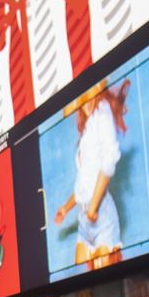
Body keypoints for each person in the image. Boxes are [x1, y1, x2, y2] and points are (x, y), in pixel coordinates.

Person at [54, 79, 129, 270]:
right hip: (85, 217)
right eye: (82, 97)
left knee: (105, 276)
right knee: (82, 277)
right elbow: (84, 183)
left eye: (89, 95)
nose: (86, 101)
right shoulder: (88, 127)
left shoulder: (102, 113)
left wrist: (93, 207)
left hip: (101, 213)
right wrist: (65, 207)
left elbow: (109, 161)